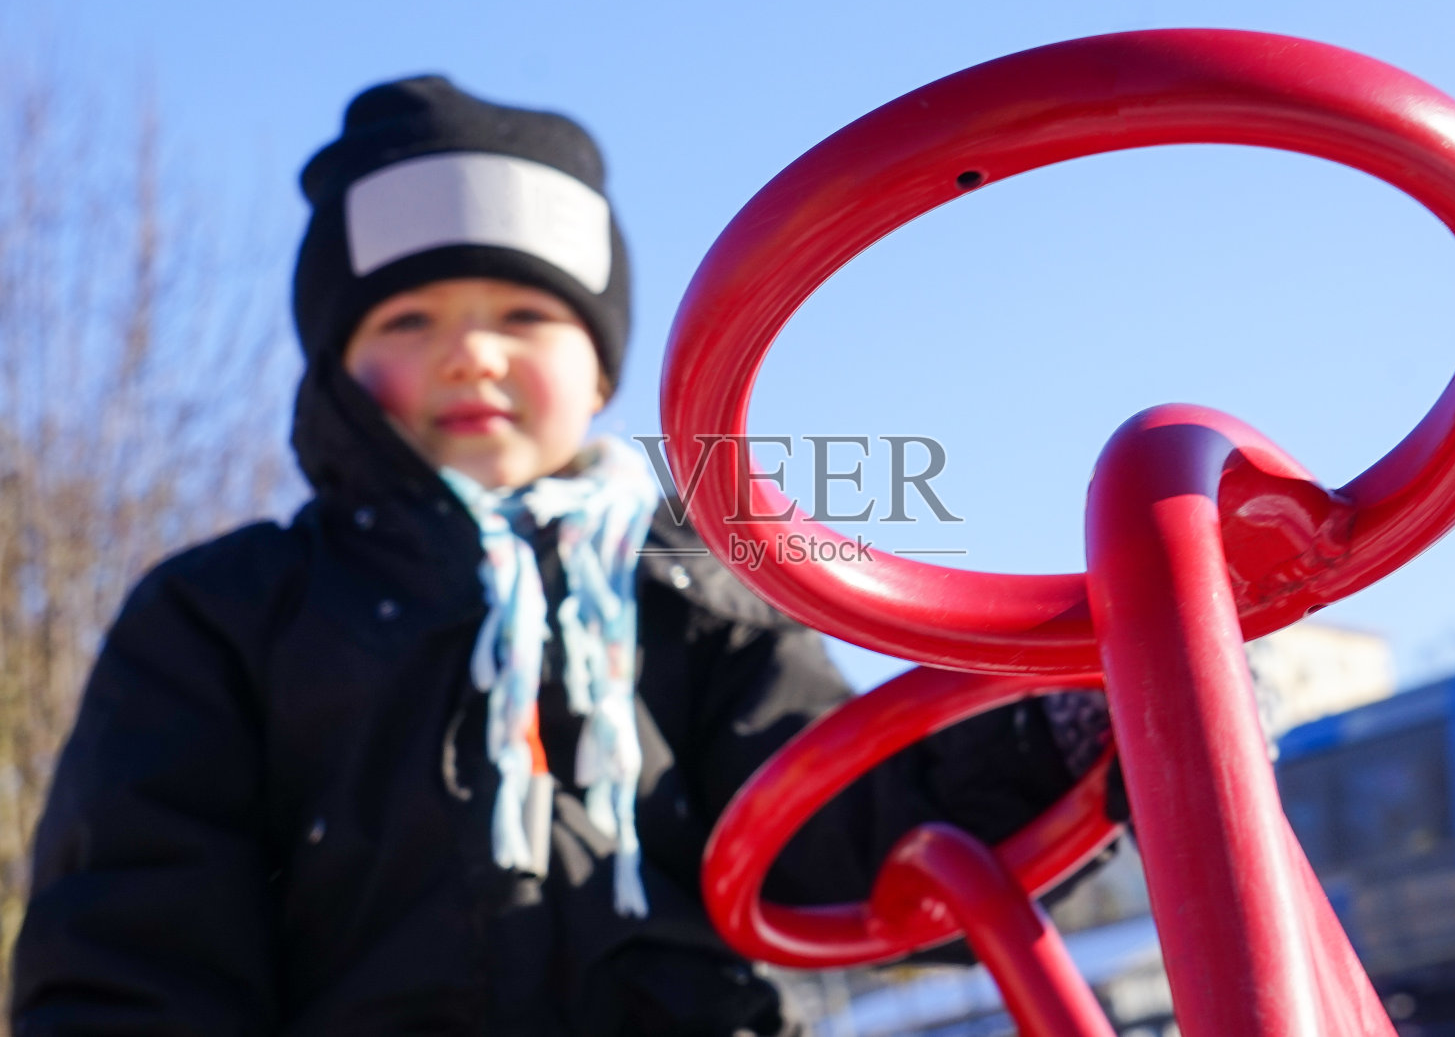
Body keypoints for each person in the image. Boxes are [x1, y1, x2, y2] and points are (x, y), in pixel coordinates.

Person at [11, 75, 1112, 1036]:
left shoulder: (687, 588)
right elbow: (136, 939)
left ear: (598, 376)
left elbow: (852, 830)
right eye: (407, 320)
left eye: (526, 312)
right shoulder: (232, 613)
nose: (472, 352)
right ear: (336, 370)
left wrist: (1065, 738)